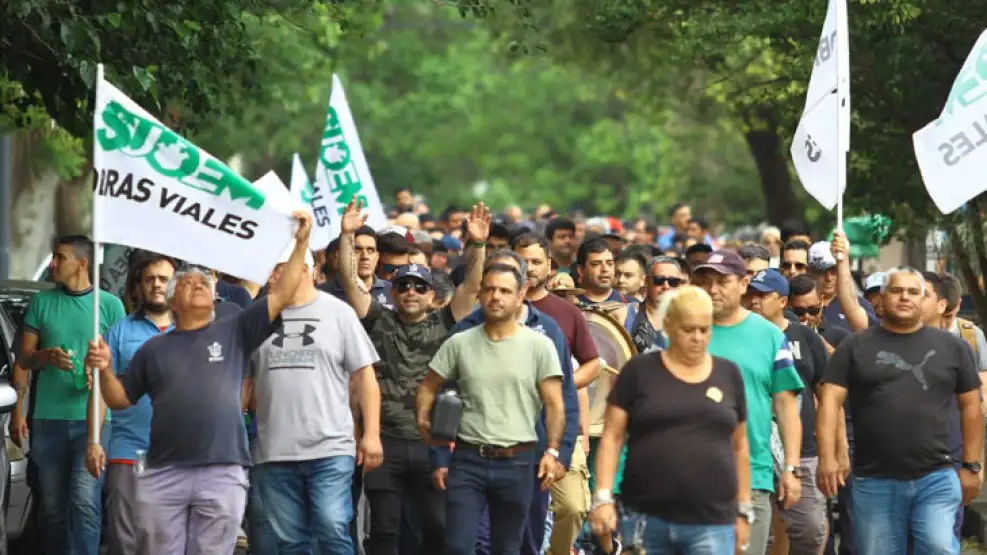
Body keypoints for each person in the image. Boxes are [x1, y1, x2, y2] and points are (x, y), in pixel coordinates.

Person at [86, 211, 314, 555]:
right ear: (173, 303)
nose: (197, 285)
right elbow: (119, 399)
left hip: (221, 470)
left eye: (202, 283)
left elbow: (281, 294)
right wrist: (104, 369)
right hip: (163, 472)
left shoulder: (235, 329)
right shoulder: (153, 349)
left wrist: (301, 243)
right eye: (187, 283)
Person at [338, 199, 488, 555]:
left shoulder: (445, 323)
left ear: (431, 295)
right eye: (403, 286)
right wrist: (346, 236)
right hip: (384, 442)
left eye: (419, 288)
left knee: (437, 528)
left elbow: (471, 287)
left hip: (431, 443)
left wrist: (479, 245)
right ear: (393, 291)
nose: (410, 292)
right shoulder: (377, 318)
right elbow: (349, 281)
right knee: (385, 530)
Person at [817, 267, 984, 555]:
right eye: (896, 291)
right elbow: (829, 399)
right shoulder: (856, 346)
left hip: (937, 476)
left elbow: (972, 406)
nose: (904, 297)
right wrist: (828, 457)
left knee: (939, 546)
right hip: (874, 479)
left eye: (913, 292)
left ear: (924, 300)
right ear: (881, 299)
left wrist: (972, 465)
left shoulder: (953, 347)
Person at [416, 263, 566, 555]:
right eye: (490, 289)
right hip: (468, 458)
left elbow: (555, 404)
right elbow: (428, 385)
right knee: (458, 547)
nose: (496, 296)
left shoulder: (540, 345)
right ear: (481, 293)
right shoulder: (460, 342)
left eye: (505, 291)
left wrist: (553, 451)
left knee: (508, 548)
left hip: (519, 460)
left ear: (520, 295)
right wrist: (424, 422)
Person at [589, 285, 751, 554]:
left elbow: (740, 446)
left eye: (705, 329)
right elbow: (612, 437)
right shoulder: (639, 371)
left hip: (712, 520)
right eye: (689, 329)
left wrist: (744, 511)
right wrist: (603, 497)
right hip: (645, 517)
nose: (698, 338)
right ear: (668, 325)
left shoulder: (728, 374)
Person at [245, 242, 383, 555]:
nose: (276, 277)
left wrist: (371, 434)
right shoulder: (258, 317)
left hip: (330, 447)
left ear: (307, 272)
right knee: (291, 542)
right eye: (274, 270)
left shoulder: (338, 312)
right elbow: (245, 380)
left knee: (333, 526)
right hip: (274, 450)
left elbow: (365, 377)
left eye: (285, 269)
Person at [19, 234, 126, 555]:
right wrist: (46, 357)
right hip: (47, 419)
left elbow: (120, 362)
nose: (53, 264)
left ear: (82, 263)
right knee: (51, 509)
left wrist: (103, 371)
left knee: (84, 501)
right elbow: (24, 357)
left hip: (92, 420)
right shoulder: (42, 302)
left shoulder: (109, 305)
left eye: (60, 257)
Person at [691, 250, 804, 555]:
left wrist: (791, 469)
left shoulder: (769, 336)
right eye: (704, 281)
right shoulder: (680, 331)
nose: (712, 288)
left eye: (722, 281)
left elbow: (785, 406)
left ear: (743, 284)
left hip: (751, 475)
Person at [84, 253, 176, 555]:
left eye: (164, 279)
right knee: (125, 539)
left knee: (168, 539)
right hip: (128, 450)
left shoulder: (194, 330)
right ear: (138, 286)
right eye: (149, 279)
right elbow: (99, 389)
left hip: (182, 454)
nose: (157, 285)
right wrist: (95, 441)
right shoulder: (119, 331)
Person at [744, 270, 832, 555]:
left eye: (763, 295)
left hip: (802, 449)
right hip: (752, 449)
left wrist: (834, 452)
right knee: (761, 535)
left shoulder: (804, 336)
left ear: (782, 301)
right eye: (751, 295)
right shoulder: (739, 336)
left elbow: (827, 396)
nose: (755, 301)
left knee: (810, 530)